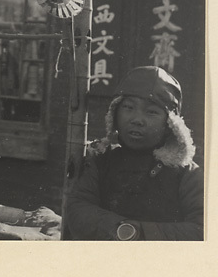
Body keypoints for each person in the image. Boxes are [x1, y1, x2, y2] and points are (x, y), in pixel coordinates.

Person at [66, 66, 204, 240]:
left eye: (151, 112)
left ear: (170, 124)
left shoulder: (187, 174)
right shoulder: (102, 162)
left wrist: (138, 232)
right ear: (114, 114)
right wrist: (119, 229)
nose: (137, 119)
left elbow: (202, 229)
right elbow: (79, 209)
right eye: (129, 108)